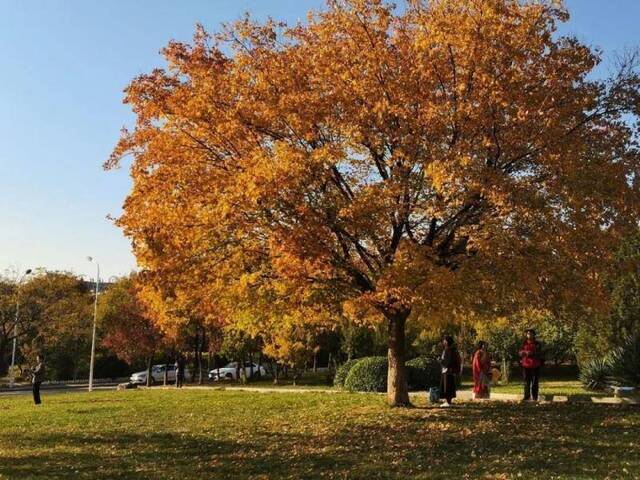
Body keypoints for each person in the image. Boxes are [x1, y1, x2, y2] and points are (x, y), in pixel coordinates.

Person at [519, 329, 544, 401]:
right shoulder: (523, 343)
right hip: (525, 365)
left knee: (535, 382)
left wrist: (531, 353)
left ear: (534, 335)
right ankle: (526, 397)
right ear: (526, 335)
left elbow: (539, 353)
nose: (529, 335)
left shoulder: (537, 344)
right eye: (528, 334)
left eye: (531, 333)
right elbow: (520, 352)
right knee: (526, 382)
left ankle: (535, 397)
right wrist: (525, 352)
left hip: (535, 365)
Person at [439, 335, 461, 407]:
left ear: (447, 342)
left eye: (444, 340)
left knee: (447, 386)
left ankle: (447, 402)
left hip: (447, 371)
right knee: (450, 386)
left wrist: (440, 360)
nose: (443, 341)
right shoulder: (453, 350)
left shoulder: (447, 350)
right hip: (451, 371)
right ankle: (449, 402)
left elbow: (446, 362)